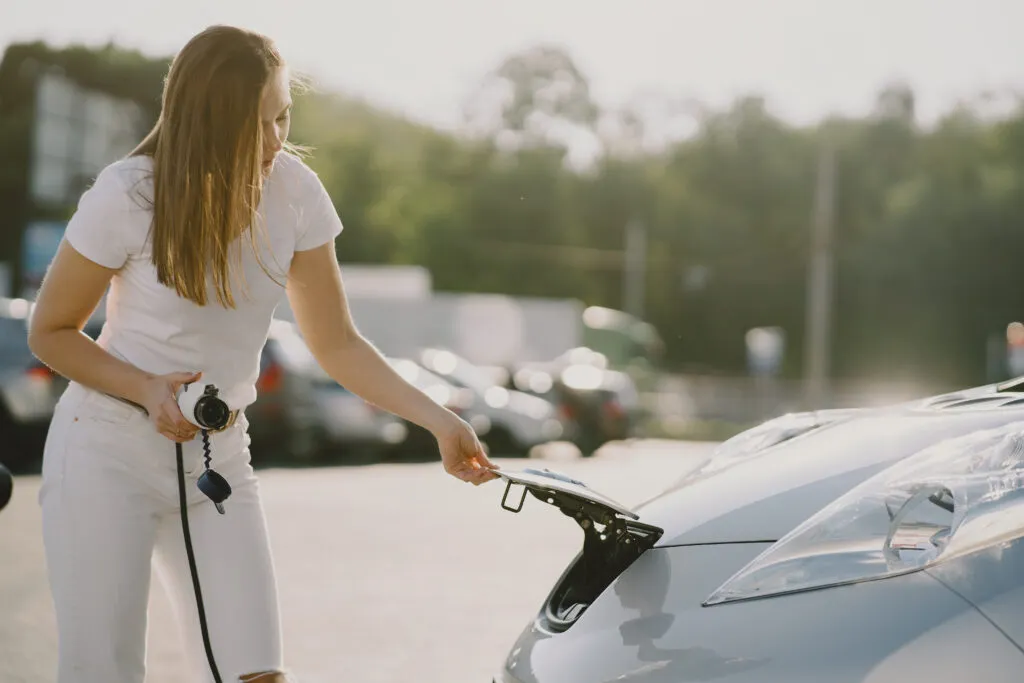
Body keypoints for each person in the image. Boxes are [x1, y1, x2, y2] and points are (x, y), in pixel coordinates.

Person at [27, 24, 498, 683]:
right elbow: (49, 331)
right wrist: (145, 387)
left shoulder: (297, 195)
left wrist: (440, 420)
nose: (277, 140)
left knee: (258, 673)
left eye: (284, 116)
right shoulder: (129, 192)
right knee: (101, 672)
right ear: (208, 124)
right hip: (104, 453)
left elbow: (335, 341)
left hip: (221, 458)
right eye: (258, 125)